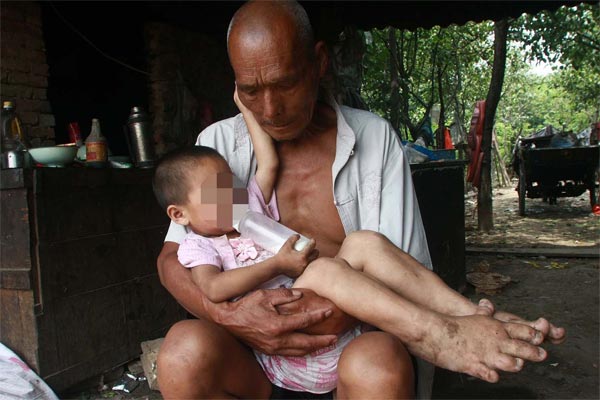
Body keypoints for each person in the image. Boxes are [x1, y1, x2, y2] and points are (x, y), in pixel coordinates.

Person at [156, 1, 566, 398]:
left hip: (346, 350)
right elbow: (173, 261)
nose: (270, 110)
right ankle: (436, 333)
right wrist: (229, 316)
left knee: (366, 275)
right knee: (183, 351)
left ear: (318, 63)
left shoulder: (374, 139)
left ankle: (467, 318)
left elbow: (404, 270)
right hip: (257, 364)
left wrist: (322, 307)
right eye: (251, 92)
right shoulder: (214, 151)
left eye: (284, 84)